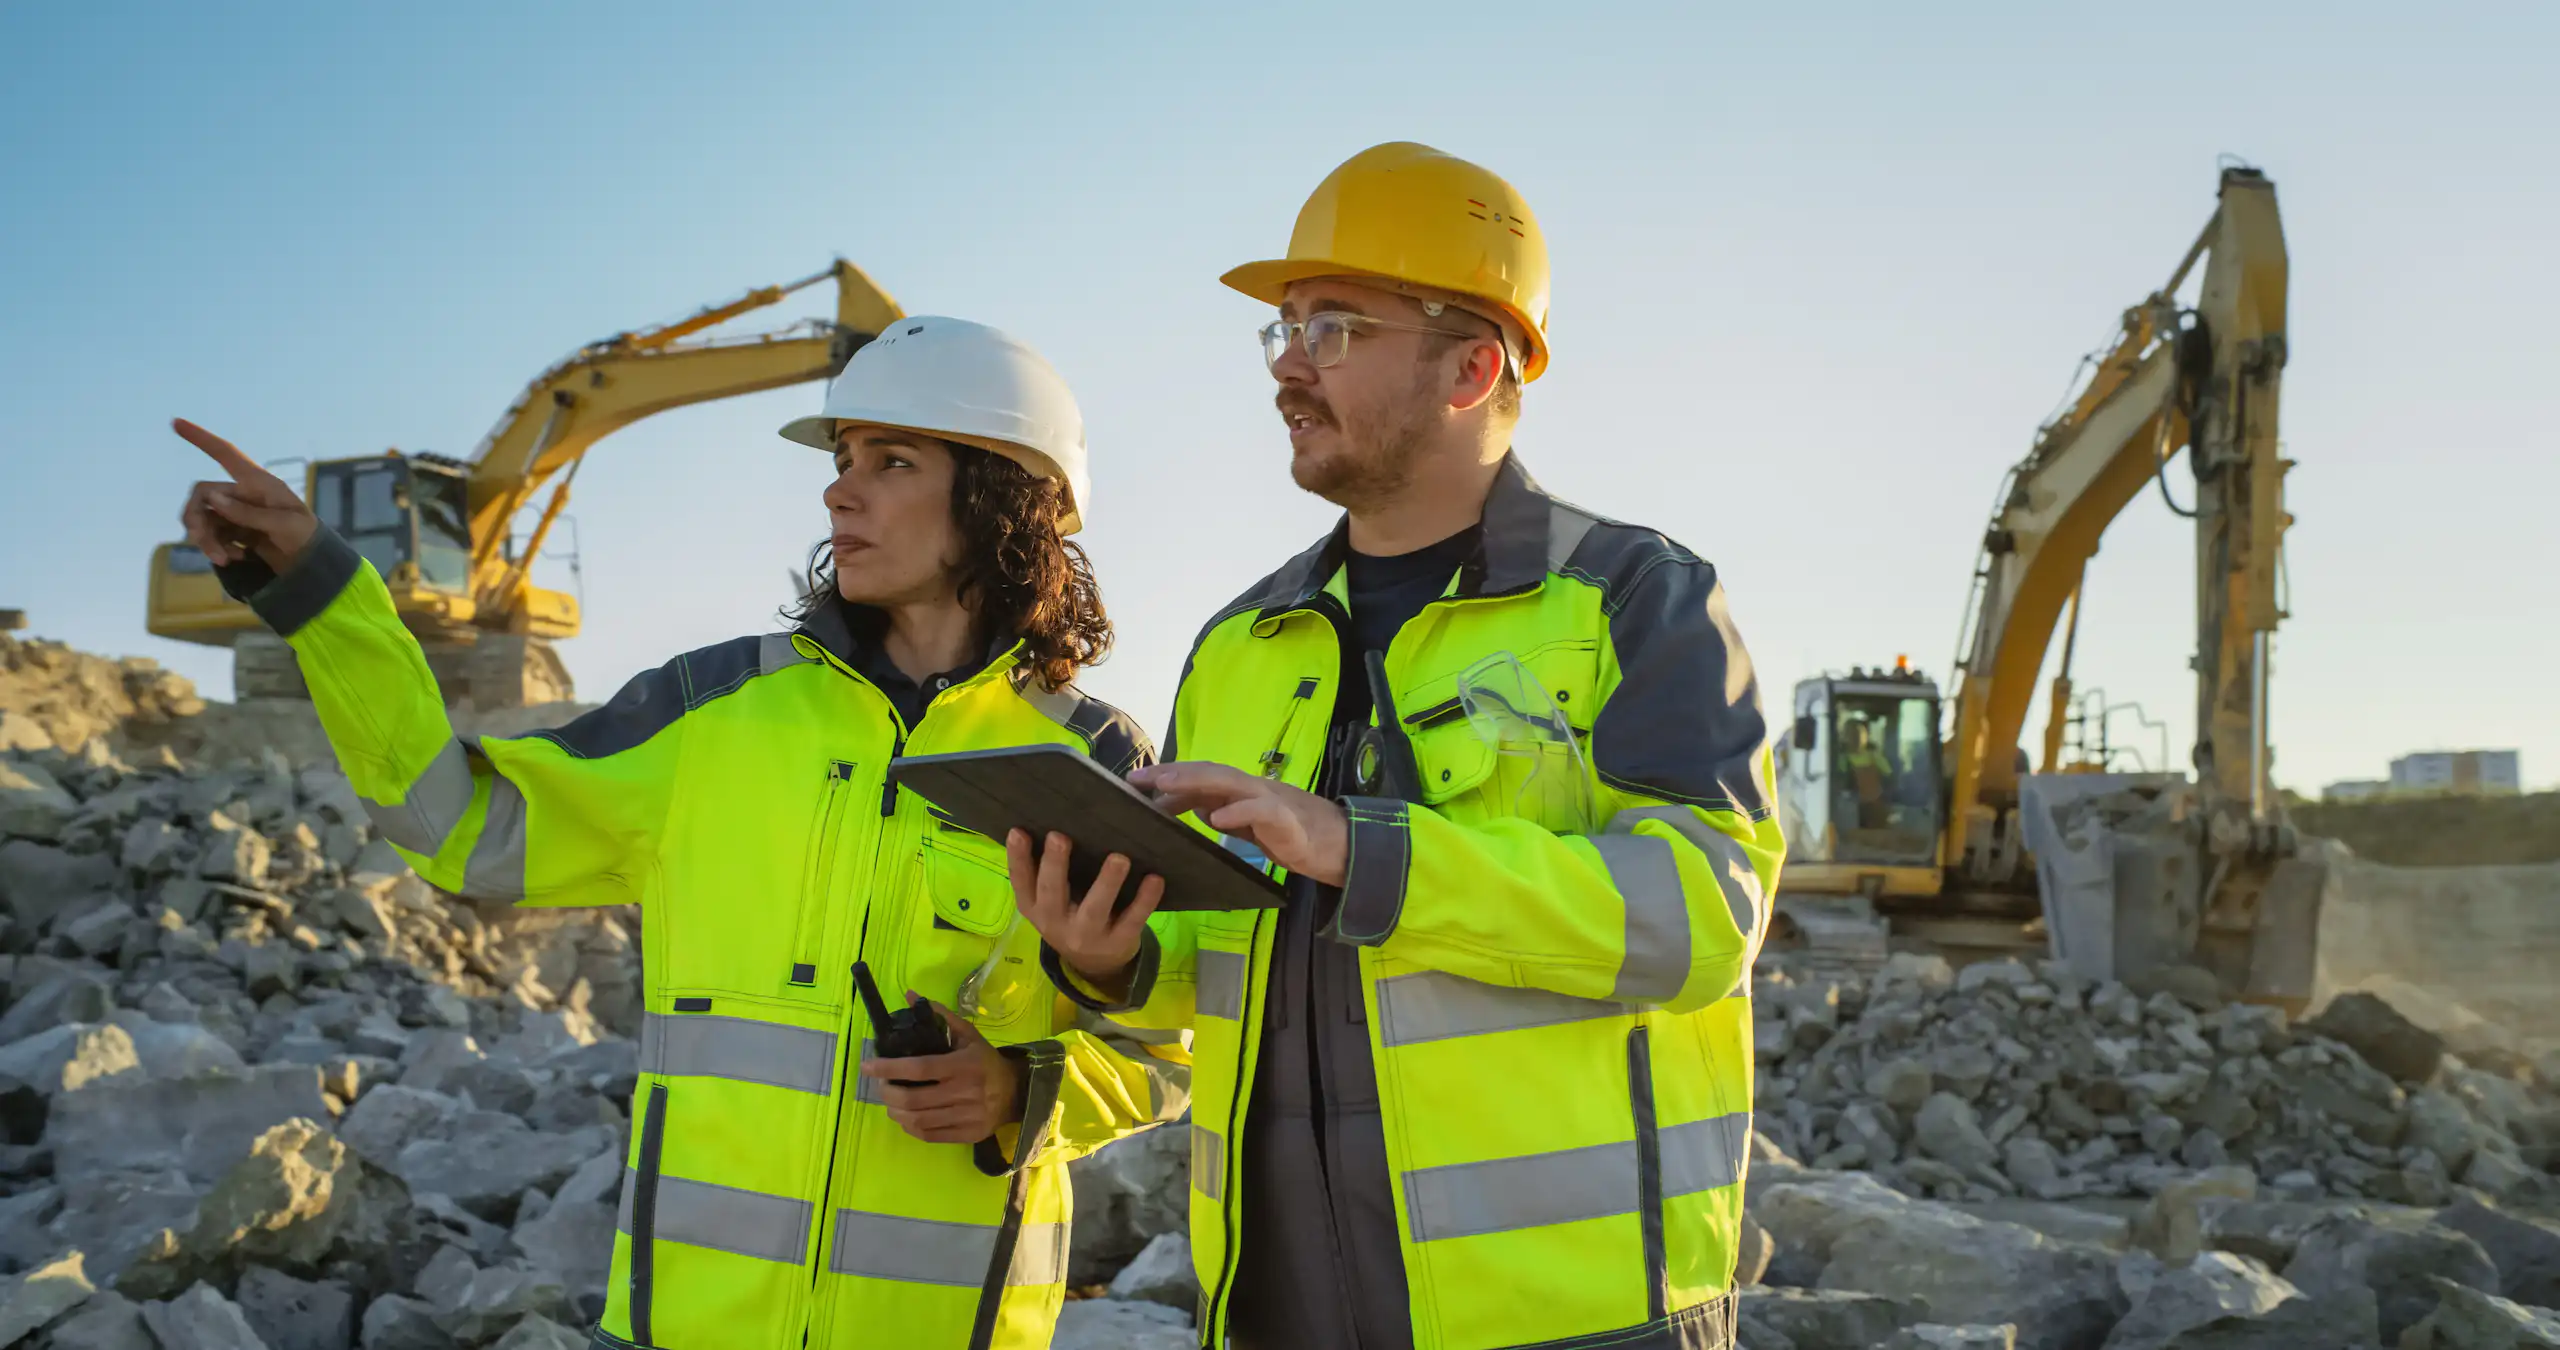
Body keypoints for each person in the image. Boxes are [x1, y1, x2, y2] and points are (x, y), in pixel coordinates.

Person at [171, 316, 1186, 1350]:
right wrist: (325, 597)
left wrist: (1021, 1087)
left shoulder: (1090, 760)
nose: (841, 491)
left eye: (892, 461)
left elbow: (1172, 1048)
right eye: (841, 462)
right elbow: (456, 827)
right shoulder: (710, 708)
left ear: (1005, 497)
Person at [1016, 143, 1786, 1350]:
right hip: (1271, 1315)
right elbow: (1218, 968)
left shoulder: (1634, 597)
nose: (1284, 365)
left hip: (1572, 1324)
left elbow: (1700, 915)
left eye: (1332, 328)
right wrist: (1110, 956)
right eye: (1281, 329)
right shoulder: (1240, 642)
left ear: (1472, 365)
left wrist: (1358, 849)